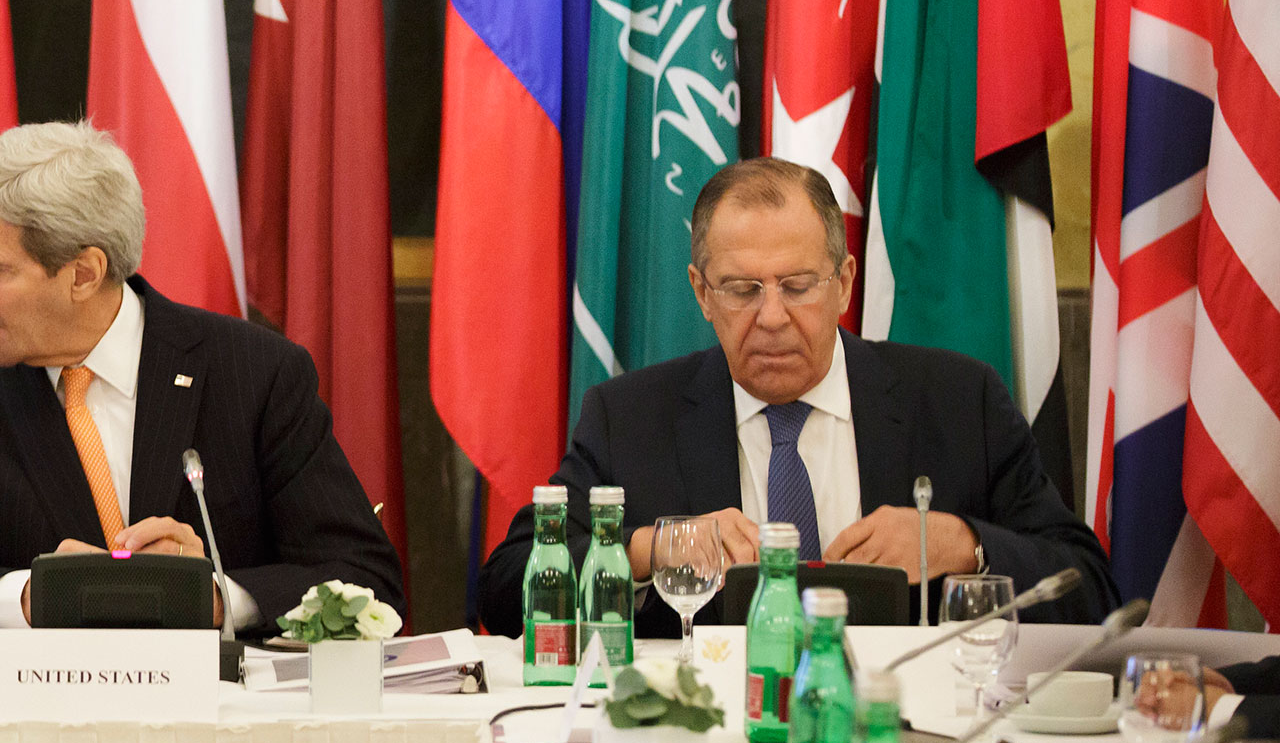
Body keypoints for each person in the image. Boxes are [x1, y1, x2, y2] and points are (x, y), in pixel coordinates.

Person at [479, 157, 1118, 638]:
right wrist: (649, 551)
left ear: (844, 283)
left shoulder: (957, 402)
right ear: (701, 293)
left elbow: (1091, 591)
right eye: (742, 289)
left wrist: (963, 544)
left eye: (798, 285)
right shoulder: (630, 418)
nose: (772, 317)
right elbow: (505, 591)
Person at [0, 121, 404, 632]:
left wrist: (211, 597)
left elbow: (364, 579)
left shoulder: (257, 375)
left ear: (84, 274)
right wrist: (30, 596)